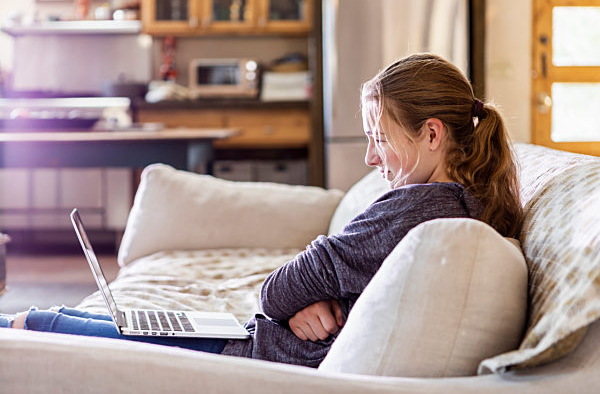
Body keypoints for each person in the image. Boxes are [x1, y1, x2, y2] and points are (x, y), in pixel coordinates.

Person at [0, 53, 523, 367]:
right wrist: (313, 299)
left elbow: (278, 290)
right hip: (256, 336)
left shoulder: (415, 208)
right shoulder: (464, 202)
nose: (369, 157)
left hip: (251, 358)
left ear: (432, 133)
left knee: (39, 324)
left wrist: (302, 296)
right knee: (66, 317)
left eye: (379, 138)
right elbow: (313, 286)